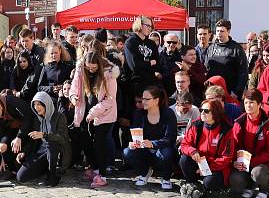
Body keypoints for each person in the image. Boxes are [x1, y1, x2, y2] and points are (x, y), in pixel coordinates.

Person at [70, 51, 117, 188]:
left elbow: (110, 99)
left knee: (99, 144)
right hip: (84, 110)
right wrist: (73, 97)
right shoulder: (80, 70)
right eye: (88, 67)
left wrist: (94, 112)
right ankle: (95, 168)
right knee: (85, 141)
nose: (90, 70)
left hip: (105, 114)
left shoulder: (109, 74)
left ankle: (102, 175)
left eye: (93, 68)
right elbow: (75, 87)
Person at [179, 99, 236, 198]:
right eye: (201, 110)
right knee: (184, 160)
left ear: (215, 113)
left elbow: (226, 158)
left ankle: (203, 189)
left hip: (216, 167)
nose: (202, 113)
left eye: (206, 111)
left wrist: (208, 166)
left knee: (209, 182)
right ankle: (191, 183)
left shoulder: (226, 130)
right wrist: (192, 151)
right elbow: (185, 144)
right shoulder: (196, 125)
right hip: (199, 162)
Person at [229, 89, 269, 198]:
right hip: (244, 163)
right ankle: (249, 186)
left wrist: (253, 161)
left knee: (258, 173)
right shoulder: (239, 122)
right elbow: (233, 145)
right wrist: (234, 161)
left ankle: (263, 191)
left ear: (260, 104)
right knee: (235, 179)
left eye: (252, 102)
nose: (248, 105)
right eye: (246, 102)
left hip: (263, 164)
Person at [123, 86, 177, 190]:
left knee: (167, 152)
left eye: (147, 99)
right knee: (127, 152)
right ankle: (144, 173)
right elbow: (134, 134)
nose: (143, 101)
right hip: (144, 150)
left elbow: (170, 138)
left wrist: (153, 143)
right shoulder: (139, 113)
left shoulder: (168, 113)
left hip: (162, 148)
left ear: (156, 100)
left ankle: (166, 177)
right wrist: (133, 143)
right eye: (142, 99)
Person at [14, 91, 71, 186]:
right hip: (41, 153)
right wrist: (25, 152)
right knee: (21, 177)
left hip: (57, 152)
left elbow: (63, 139)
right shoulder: (37, 119)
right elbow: (33, 140)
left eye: (39, 104)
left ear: (46, 104)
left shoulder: (59, 116)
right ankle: (46, 169)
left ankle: (53, 175)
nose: (36, 108)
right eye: (35, 105)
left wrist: (44, 135)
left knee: (51, 144)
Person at [0, 92, 31, 176]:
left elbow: (28, 118)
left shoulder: (12, 102)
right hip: (11, 129)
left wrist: (19, 137)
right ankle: (13, 170)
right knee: (2, 147)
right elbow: (1, 130)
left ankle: (22, 164)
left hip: (26, 127)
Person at [204, 19, 249, 97]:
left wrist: (237, 92)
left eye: (222, 31)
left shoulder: (236, 48)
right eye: (217, 31)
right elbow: (206, 68)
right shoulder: (211, 48)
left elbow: (243, 72)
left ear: (228, 31)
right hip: (212, 91)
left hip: (230, 92)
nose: (219, 33)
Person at [124, 16, 160, 94]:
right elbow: (135, 66)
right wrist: (150, 63)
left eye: (151, 26)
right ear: (139, 24)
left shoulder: (151, 43)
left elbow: (157, 63)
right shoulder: (130, 42)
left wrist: (145, 64)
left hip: (151, 83)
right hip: (136, 84)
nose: (149, 28)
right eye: (147, 26)